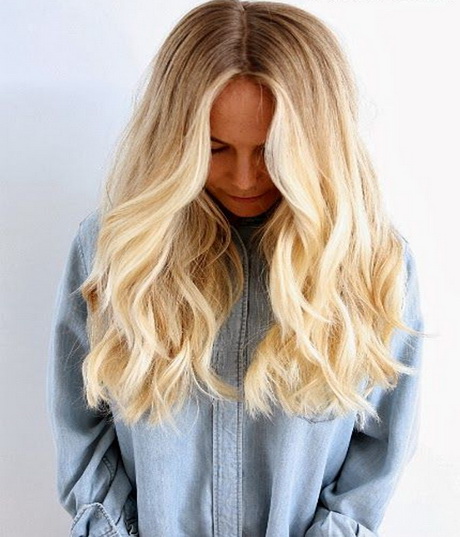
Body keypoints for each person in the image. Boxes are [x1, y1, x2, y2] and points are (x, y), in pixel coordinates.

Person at [46, 1, 427, 536]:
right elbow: (81, 424)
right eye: (215, 148)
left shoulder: (370, 261)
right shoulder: (117, 250)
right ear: (175, 140)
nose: (245, 178)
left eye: (271, 151)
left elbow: (380, 449)